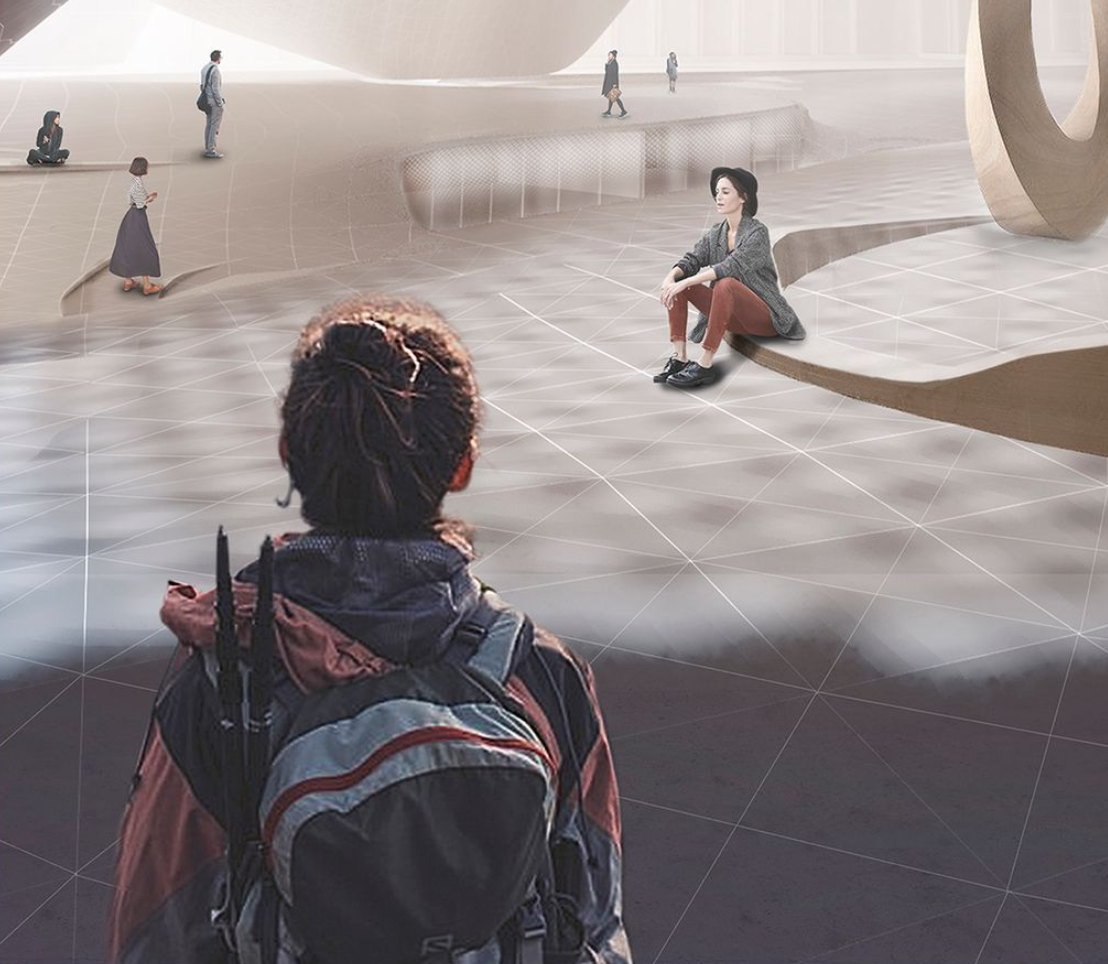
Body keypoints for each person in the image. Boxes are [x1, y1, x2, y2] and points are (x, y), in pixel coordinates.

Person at [107, 296, 630, 964]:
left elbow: (155, 929)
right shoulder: (543, 673)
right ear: (463, 464)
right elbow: (593, 919)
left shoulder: (226, 676)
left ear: (288, 455)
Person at [654, 166, 804, 388]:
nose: (718, 197)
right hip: (731, 315)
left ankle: (704, 365)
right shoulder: (717, 233)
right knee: (679, 285)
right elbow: (692, 259)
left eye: (725, 192)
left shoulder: (757, 233)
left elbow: (730, 266)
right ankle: (680, 358)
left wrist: (686, 281)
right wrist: (670, 279)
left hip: (764, 317)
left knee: (725, 284)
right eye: (717, 192)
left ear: (743, 197)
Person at [110, 156, 163, 295]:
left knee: (128, 246)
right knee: (144, 247)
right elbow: (140, 204)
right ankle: (147, 285)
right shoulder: (138, 184)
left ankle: (128, 281)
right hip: (138, 217)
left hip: (130, 216)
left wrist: (145, 197)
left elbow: (130, 199)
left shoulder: (133, 181)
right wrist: (151, 198)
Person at [199, 48, 225, 158]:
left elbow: (202, 85)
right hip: (213, 102)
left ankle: (208, 147)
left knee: (209, 125)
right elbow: (216, 89)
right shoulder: (215, 71)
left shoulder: (204, 68)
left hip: (207, 102)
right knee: (214, 126)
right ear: (218, 59)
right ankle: (211, 150)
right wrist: (220, 103)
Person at [600, 49, 628, 119]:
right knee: (611, 97)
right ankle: (609, 111)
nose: (608, 56)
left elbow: (615, 74)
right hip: (609, 82)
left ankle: (623, 111)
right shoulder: (610, 62)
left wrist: (615, 84)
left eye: (610, 55)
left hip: (612, 83)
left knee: (616, 98)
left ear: (613, 56)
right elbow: (607, 71)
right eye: (608, 55)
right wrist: (607, 63)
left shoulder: (614, 63)